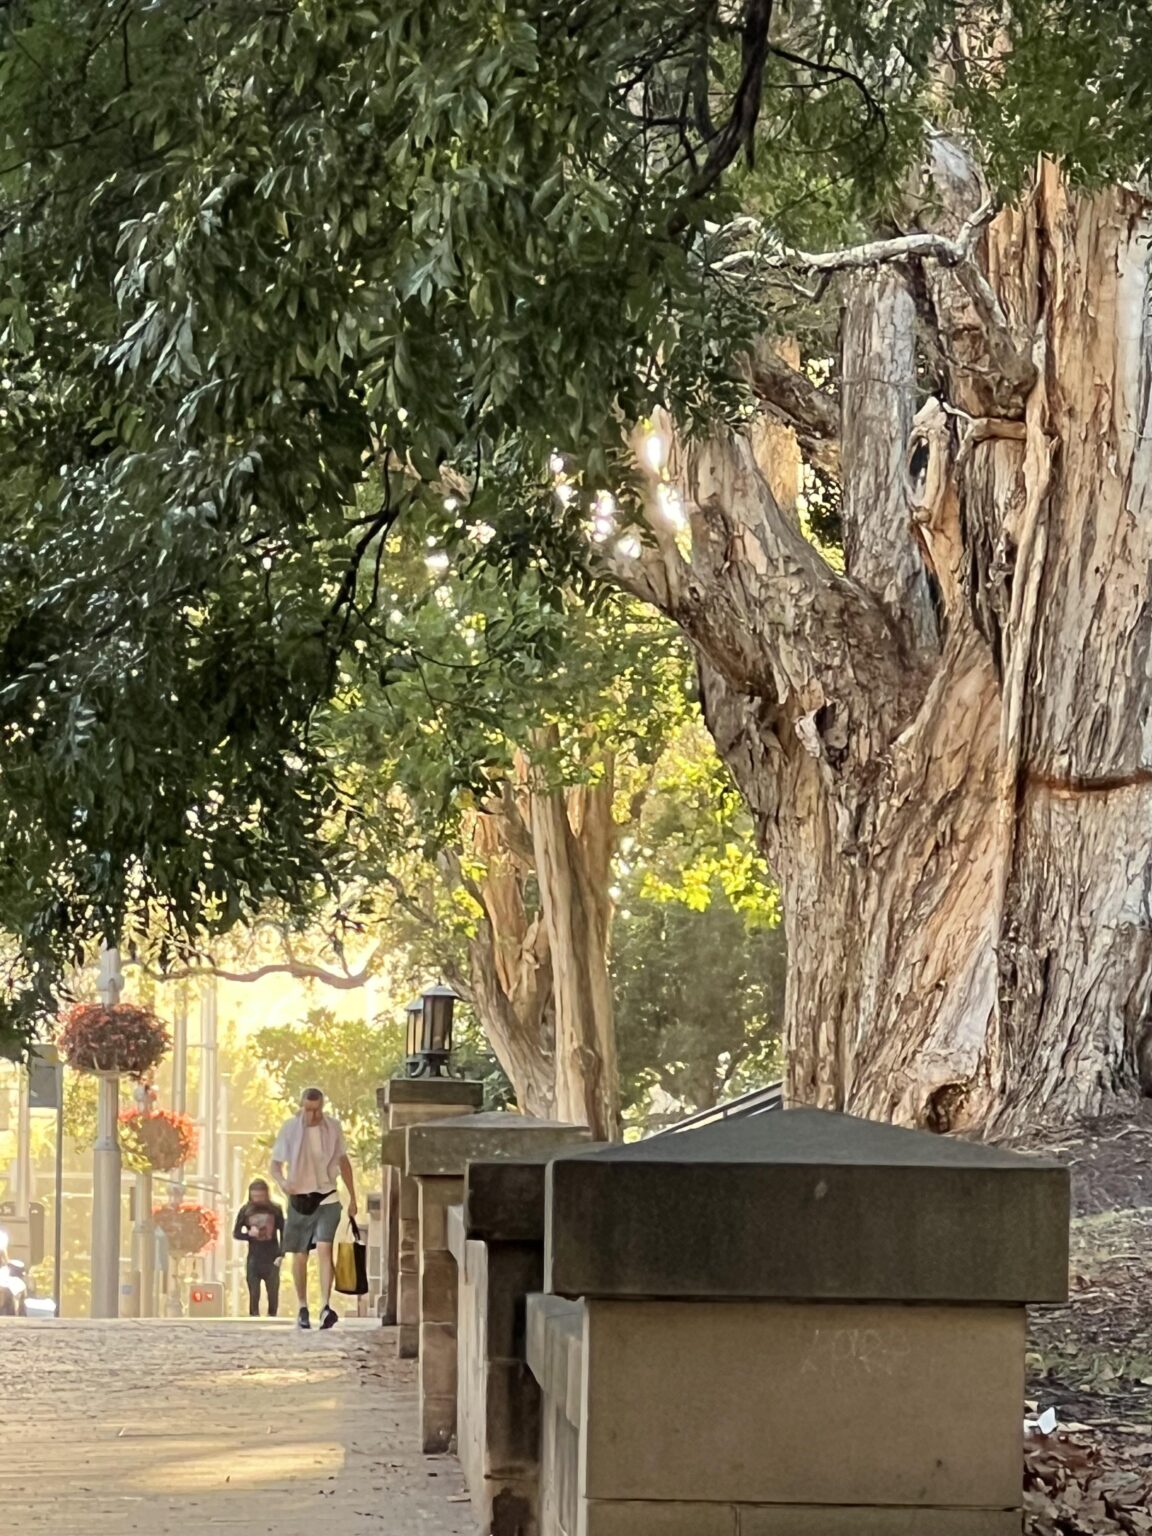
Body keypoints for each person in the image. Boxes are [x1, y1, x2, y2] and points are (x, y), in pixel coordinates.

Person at [270, 1087, 358, 1330]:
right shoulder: (289, 1129)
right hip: (299, 1197)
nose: (312, 1115)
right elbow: (275, 1165)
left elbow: (343, 1161)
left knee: (324, 1248)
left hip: (327, 1195)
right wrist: (283, 1182)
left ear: (322, 1106)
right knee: (299, 1254)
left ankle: (326, 1305)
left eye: (317, 1109)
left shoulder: (333, 1128)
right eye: (308, 1110)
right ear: (302, 1107)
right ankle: (302, 1306)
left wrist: (353, 1197)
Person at [232, 1178, 284, 1317]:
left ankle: (272, 1316)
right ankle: (253, 1317)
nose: (258, 1200)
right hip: (254, 1256)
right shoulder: (245, 1210)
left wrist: (281, 1254)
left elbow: (284, 1232)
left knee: (273, 1292)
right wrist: (249, 1234)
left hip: (272, 1256)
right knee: (254, 1292)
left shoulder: (275, 1210)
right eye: (255, 1197)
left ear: (266, 1195)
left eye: (261, 1196)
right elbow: (236, 1233)